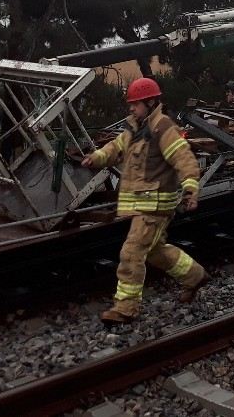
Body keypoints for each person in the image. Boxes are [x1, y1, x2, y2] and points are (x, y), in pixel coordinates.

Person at [81, 77, 207, 325]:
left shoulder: (162, 128)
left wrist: (191, 189)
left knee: (132, 251)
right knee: (156, 252)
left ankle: (126, 308)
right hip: (143, 204)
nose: (131, 108)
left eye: (136, 104)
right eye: (131, 104)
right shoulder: (134, 128)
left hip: (155, 205)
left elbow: (184, 159)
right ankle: (195, 276)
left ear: (150, 102)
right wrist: (95, 157)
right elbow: (114, 148)